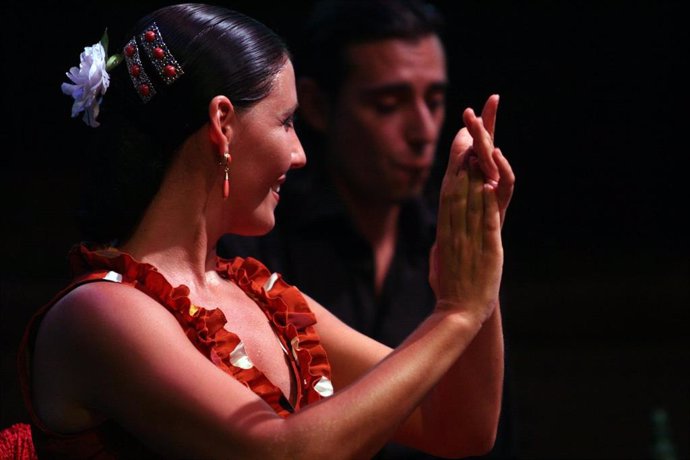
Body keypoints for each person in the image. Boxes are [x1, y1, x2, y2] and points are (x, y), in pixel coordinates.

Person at [17, 3, 514, 459]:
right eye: (286, 122)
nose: (299, 154)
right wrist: (454, 313)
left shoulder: (264, 298)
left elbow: (459, 427)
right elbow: (281, 453)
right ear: (222, 124)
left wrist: (477, 274)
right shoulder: (100, 313)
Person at [218, 1, 516, 458]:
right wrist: (458, 311)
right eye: (389, 103)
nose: (422, 130)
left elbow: (473, 435)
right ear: (317, 107)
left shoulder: (450, 241)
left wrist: (479, 285)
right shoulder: (252, 248)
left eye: (434, 101)